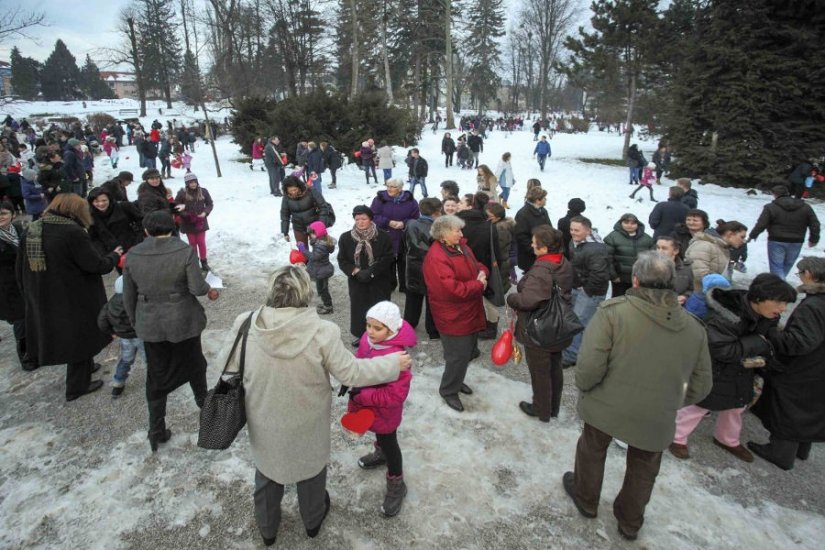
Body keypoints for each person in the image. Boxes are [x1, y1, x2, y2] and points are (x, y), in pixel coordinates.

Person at [224, 266, 410, 546]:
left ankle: (267, 529)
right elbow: (351, 373)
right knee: (310, 473)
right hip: (307, 419)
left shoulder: (245, 324)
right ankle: (312, 522)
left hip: (264, 417)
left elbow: (225, 369)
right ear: (306, 293)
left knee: (268, 472)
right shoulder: (323, 331)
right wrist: (392, 364)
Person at [563, 252, 712, 541]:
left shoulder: (612, 312)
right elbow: (701, 384)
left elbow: (590, 365)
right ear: (671, 283)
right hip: (657, 416)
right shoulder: (694, 327)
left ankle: (586, 498)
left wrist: (587, 387)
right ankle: (630, 521)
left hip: (606, 406)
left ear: (635, 279)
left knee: (592, 450)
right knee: (644, 467)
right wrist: (669, 400)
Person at [671, 274, 796, 464]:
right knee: (700, 404)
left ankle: (727, 439)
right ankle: (676, 436)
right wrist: (758, 343)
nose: (783, 309)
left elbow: (766, 336)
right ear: (759, 299)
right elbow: (721, 349)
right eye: (779, 302)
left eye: (785, 304)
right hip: (714, 368)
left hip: (740, 368)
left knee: (737, 405)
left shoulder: (765, 314)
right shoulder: (727, 316)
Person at [122, 210, 219, 452]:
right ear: (173, 228)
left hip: (150, 321)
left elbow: (128, 295)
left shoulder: (133, 254)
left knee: (156, 374)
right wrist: (209, 288)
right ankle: (209, 418)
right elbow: (196, 287)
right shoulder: (183, 250)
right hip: (183, 319)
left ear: (146, 231)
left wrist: (137, 322)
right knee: (195, 365)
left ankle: (156, 430)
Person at [16, 193, 122, 400]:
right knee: (79, 335)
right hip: (72, 294)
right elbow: (95, 265)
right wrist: (114, 255)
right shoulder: (71, 232)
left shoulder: (33, 228)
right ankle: (77, 387)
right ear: (73, 211)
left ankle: (87, 366)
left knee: (70, 333)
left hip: (43, 293)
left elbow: (20, 266)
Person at [749, 257, 825, 470]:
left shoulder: (814, 304)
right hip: (819, 366)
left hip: (803, 367)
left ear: (808, 274)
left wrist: (772, 331)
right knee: (810, 408)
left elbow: (798, 343)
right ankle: (801, 449)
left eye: (800, 273)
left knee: (789, 406)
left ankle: (780, 452)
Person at [349, 301, 416, 517]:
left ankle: (397, 482)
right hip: (369, 405)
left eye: (377, 328)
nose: (370, 331)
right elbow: (360, 362)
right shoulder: (368, 341)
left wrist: (363, 394)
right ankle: (381, 453)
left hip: (386, 412)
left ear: (391, 329)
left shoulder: (399, 357)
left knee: (389, 440)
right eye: (368, 325)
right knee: (379, 435)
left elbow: (395, 395)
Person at [507, 226, 574, 421]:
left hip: (540, 328)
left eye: (534, 242)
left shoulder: (542, 270)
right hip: (559, 324)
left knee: (540, 371)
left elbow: (529, 300)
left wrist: (513, 298)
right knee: (554, 367)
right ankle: (552, 407)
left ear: (544, 248)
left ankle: (541, 410)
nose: (531, 244)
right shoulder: (562, 261)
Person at [423, 215, 488, 412]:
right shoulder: (436, 258)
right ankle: (448, 390)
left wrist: (483, 272)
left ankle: (457, 381)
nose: (461, 233)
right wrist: (478, 284)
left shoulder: (462, 247)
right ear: (443, 234)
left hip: (468, 310)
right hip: (452, 316)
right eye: (457, 230)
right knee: (457, 356)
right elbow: (450, 289)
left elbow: (477, 265)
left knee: (467, 351)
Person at [337, 205, 394, 347]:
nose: (361, 222)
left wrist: (371, 271)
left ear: (370, 219)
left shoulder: (383, 236)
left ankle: (382, 336)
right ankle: (363, 335)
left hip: (379, 280)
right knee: (359, 308)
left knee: (379, 308)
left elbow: (388, 258)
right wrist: (355, 271)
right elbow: (342, 259)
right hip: (357, 281)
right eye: (357, 219)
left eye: (364, 219)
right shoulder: (346, 238)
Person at [562, 216, 610, 368]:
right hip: (578, 287)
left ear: (588, 230)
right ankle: (575, 348)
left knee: (579, 321)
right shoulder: (575, 242)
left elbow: (600, 275)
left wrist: (587, 290)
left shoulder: (596, 249)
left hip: (591, 292)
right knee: (576, 319)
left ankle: (571, 355)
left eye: (577, 230)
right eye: (571, 229)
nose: (573, 233)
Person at [748, 185, 820, 280]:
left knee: (776, 266)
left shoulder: (771, 207)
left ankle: (779, 286)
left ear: (775, 195)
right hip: (797, 241)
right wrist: (814, 239)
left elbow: (761, 224)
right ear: (788, 193)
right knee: (787, 265)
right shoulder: (805, 207)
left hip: (776, 240)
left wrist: (753, 235)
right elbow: (815, 224)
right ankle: (780, 283)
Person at [0, 202, 36, 370]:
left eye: (4, 213)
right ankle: (26, 358)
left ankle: (36, 350)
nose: (1, 217)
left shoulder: (19, 229)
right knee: (20, 321)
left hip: (25, 281)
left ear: (12, 215)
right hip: (8, 288)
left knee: (31, 317)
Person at [97, 276, 144, 398]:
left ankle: (118, 383)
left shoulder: (110, 304)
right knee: (150, 359)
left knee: (125, 359)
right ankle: (158, 381)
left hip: (124, 337)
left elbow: (102, 321)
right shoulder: (136, 301)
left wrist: (112, 332)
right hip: (140, 335)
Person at [370, 178, 420, 293]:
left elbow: (416, 217)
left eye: (393, 187)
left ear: (400, 188)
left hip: (404, 236)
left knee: (404, 261)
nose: (389, 189)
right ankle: (390, 284)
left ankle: (404, 285)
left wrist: (404, 223)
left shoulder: (411, 201)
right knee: (388, 261)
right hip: (385, 236)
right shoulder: (379, 200)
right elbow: (373, 215)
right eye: (388, 186)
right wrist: (388, 222)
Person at [403, 198, 441, 339]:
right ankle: (433, 330)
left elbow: (405, 242)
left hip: (413, 264)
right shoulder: (437, 228)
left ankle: (409, 324)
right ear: (436, 212)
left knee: (413, 297)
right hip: (431, 267)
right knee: (432, 298)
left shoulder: (411, 224)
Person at [685, 219, 747, 293]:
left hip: (709, 295)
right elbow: (699, 274)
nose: (743, 241)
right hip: (699, 296)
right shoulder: (704, 246)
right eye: (742, 237)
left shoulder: (722, 248)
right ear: (730, 234)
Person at [604, 213, 655, 297]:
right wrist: (613, 276)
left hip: (640, 278)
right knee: (618, 300)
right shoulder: (612, 237)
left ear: (637, 224)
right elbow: (608, 258)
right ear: (621, 223)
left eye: (632, 223)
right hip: (620, 278)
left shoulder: (647, 239)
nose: (629, 225)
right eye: (626, 222)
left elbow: (652, 257)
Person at [86, 187, 144, 261]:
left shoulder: (124, 207)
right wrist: (108, 255)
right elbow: (94, 238)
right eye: (96, 202)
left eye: (104, 200)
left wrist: (138, 242)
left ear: (109, 199)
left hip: (134, 247)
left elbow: (142, 222)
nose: (101, 204)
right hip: (114, 254)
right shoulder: (90, 216)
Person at [175, 173, 214, 272]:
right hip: (188, 223)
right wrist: (186, 215)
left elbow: (210, 204)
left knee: (201, 242)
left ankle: (204, 262)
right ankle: (194, 262)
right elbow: (176, 207)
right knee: (192, 243)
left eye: (194, 182)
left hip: (201, 221)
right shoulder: (182, 193)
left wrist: (205, 212)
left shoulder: (203, 191)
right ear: (187, 183)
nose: (193, 184)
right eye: (190, 183)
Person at [281, 175, 333, 249]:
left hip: (314, 225)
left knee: (319, 248)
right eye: (290, 191)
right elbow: (285, 214)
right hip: (299, 227)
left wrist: (321, 225)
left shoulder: (311, 191)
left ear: (299, 187)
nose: (293, 192)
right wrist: (285, 232)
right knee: (303, 250)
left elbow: (323, 207)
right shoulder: (286, 197)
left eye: (295, 190)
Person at [514, 187, 551, 272]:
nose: (546, 200)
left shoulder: (543, 211)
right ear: (538, 200)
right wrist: (535, 250)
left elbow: (549, 228)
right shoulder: (522, 214)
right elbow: (521, 236)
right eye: (544, 198)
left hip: (544, 253)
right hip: (530, 257)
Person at [306, 221, 336, 315]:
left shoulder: (320, 245)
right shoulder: (320, 243)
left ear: (317, 233)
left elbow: (314, 257)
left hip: (323, 272)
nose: (310, 236)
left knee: (323, 289)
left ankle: (328, 306)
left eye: (311, 234)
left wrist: (303, 250)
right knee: (321, 288)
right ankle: (325, 303)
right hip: (321, 270)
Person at [655, 236, 693, 304]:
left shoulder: (686, 269)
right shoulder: (647, 268)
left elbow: (691, 289)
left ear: (675, 251)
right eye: (658, 248)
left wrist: (685, 296)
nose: (659, 251)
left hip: (679, 309)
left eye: (664, 248)